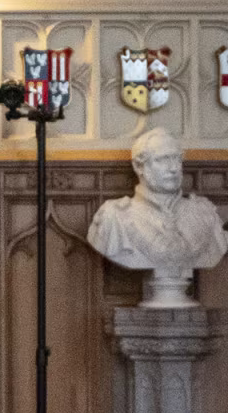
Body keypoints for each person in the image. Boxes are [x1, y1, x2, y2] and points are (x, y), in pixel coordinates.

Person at [87, 125, 226, 305]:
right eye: (162, 159)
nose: (174, 168)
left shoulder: (204, 213)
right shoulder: (114, 216)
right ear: (139, 166)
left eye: (177, 159)